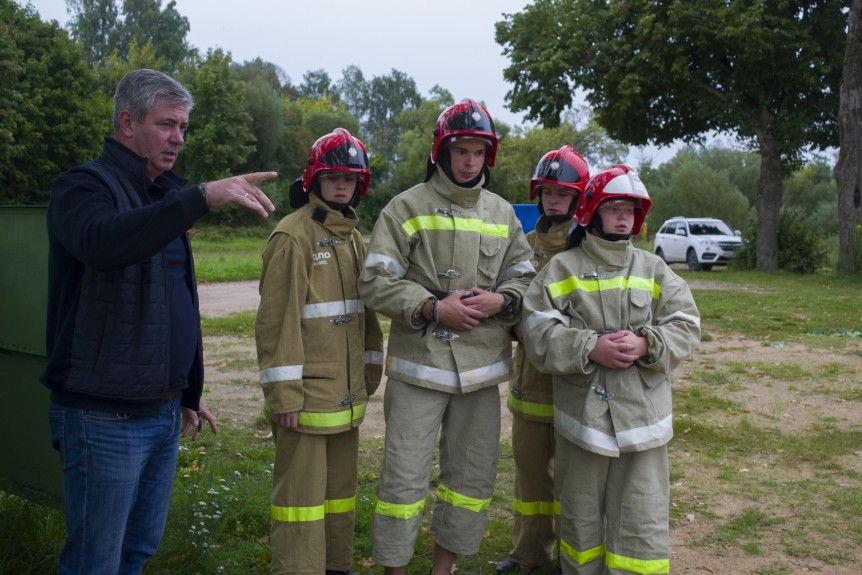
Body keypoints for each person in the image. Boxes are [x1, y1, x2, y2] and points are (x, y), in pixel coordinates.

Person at [41, 68, 277, 574]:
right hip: (103, 417)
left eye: (184, 127)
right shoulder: (81, 187)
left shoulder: (163, 196)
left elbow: (167, 302)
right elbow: (105, 244)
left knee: (136, 554)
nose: (178, 138)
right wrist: (198, 198)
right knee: (94, 562)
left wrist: (184, 391)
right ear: (127, 122)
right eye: (167, 124)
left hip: (162, 414)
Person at [358, 98, 536, 575]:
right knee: (403, 479)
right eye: (461, 150)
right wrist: (433, 307)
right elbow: (375, 280)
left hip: (480, 376)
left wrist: (505, 301)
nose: (470, 160)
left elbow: (525, 277)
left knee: (471, 479)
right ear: (442, 151)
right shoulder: (406, 208)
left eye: (479, 151)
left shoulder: (502, 212)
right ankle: (393, 568)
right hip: (420, 370)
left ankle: (444, 568)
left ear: (488, 156)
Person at [521, 165, 701, 575]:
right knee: (581, 515)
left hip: (643, 422)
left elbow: (687, 324)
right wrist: (590, 347)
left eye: (630, 210)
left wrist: (647, 343)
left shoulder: (654, 269)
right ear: (591, 212)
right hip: (582, 420)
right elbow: (536, 332)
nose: (624, 217)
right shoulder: (561, 269)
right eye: (614, 207)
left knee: (642, 514)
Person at [254, 128, 384, 575]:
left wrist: (368, 374)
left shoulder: (352, 237)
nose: (342, 185)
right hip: (306, 402)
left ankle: (335, 567)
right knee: (300, 505)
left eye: (350, 178)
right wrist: (284, 395)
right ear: (314, 179)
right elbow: (277, 322)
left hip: (344, 400)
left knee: (339, 499)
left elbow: (364, 313)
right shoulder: (293, 237)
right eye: (333, 177)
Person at [496, 146, 590, 575]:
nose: (554, 200)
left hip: (575, 382)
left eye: (563, 193)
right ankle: (527, 554)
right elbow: (506, 300)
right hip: (530, 380)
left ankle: (572, 560)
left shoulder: (588, 248)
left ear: (579, 197)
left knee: (575, 482)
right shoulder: (524, 244)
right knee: (531, 477)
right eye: (547, 191)